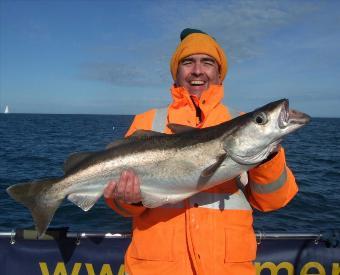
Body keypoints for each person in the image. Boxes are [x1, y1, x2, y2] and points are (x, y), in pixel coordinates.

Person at [104, 28, 298, 275]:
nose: (197, 70)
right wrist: (128, 200)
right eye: (188, 62)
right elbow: (120, 207)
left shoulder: (243, 123)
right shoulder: (146, 122)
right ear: (176, 72)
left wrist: (268, 156)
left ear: (219, 73)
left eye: (207, 62)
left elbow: (273, 201)